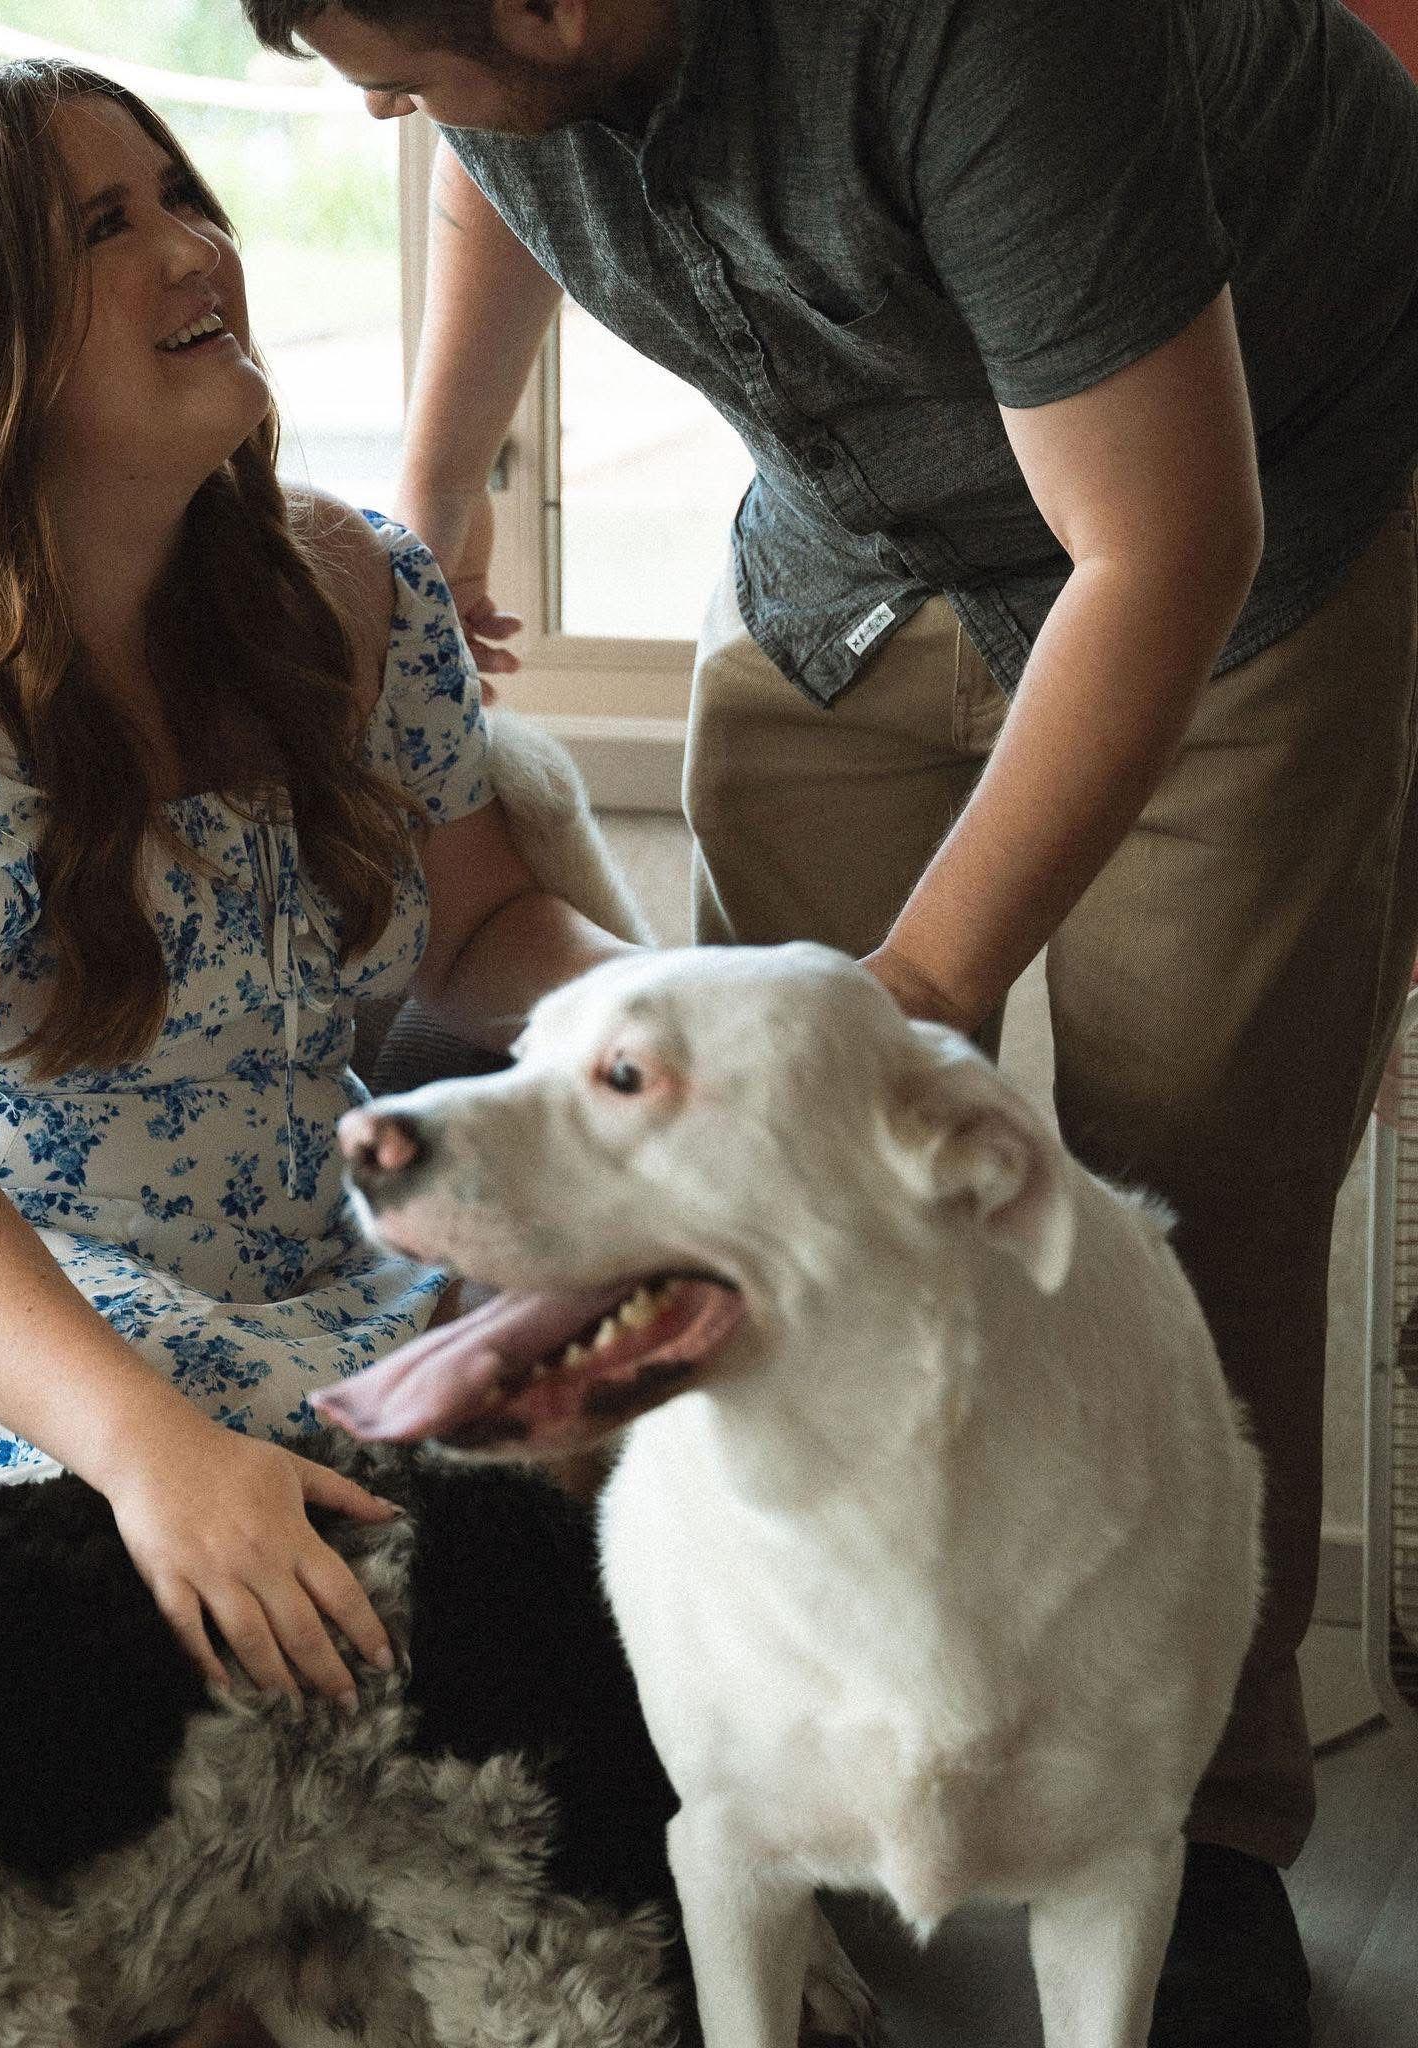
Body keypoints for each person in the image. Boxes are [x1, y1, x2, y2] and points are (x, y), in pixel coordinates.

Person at [241, 0, 1418, 2039]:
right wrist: (437, 490)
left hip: (1234, 540)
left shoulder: (997, 38)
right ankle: (780, 1763)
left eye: (402, 66)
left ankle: (1194, 1823)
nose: (377, 104)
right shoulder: (509, 54)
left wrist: (909, 1010)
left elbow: (1165, 541)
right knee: (728, 1214)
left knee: (1185, 1168)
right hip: (851, 546)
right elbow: (492, 146)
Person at [0, 57, 632, 1718]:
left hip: (286, 1239)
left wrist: (689, 1015)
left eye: (180, 193)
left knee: (631, 1321)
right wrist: (154, 1452)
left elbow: (480, 930)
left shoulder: (355, 588)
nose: (193, 248)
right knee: (311, 1500)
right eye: (104, 227)